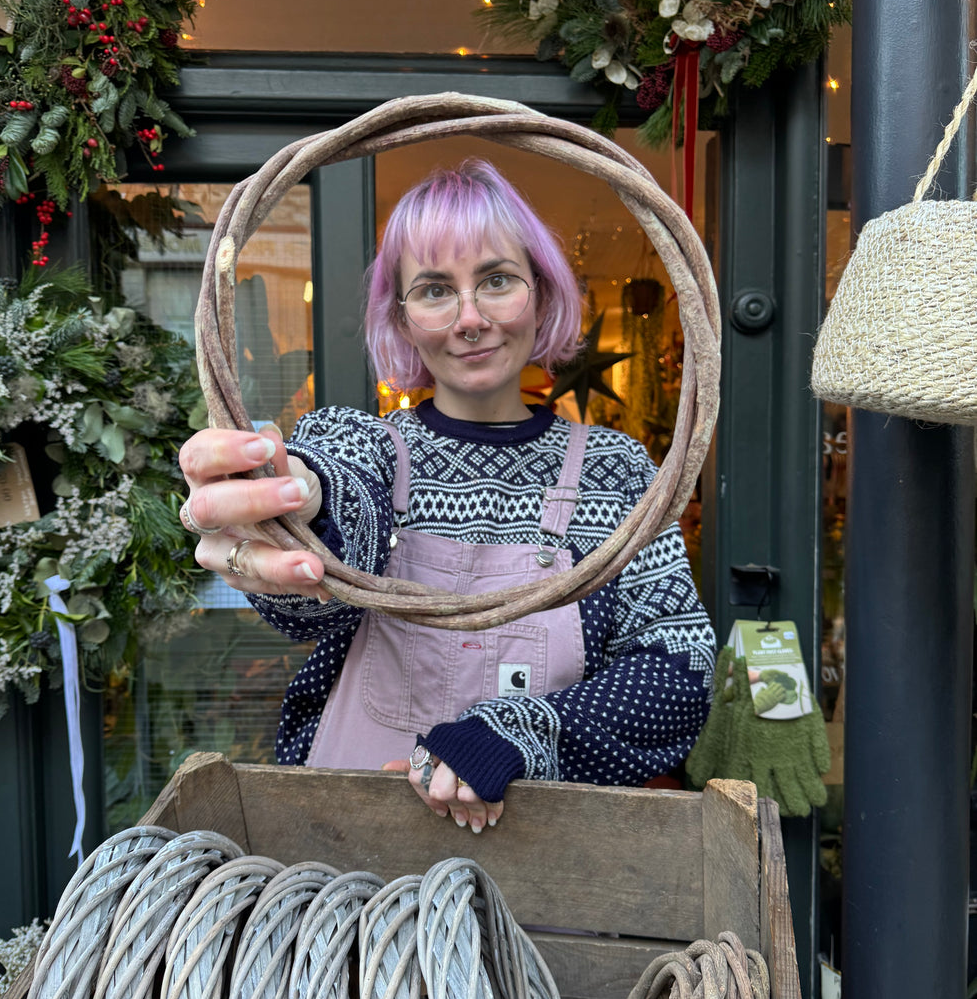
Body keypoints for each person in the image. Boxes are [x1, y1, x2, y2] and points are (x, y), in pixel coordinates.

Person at [178, 160, 716, 832]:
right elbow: (333, 522)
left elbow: (678, 667)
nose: (470, 318)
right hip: (352, 849)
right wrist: (300, 503)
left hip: (550, 860)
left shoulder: (618, 471)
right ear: (402, 319)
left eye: (497, 280)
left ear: (542, 294)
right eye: (435, 290)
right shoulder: (366, 447)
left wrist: (517, 733)